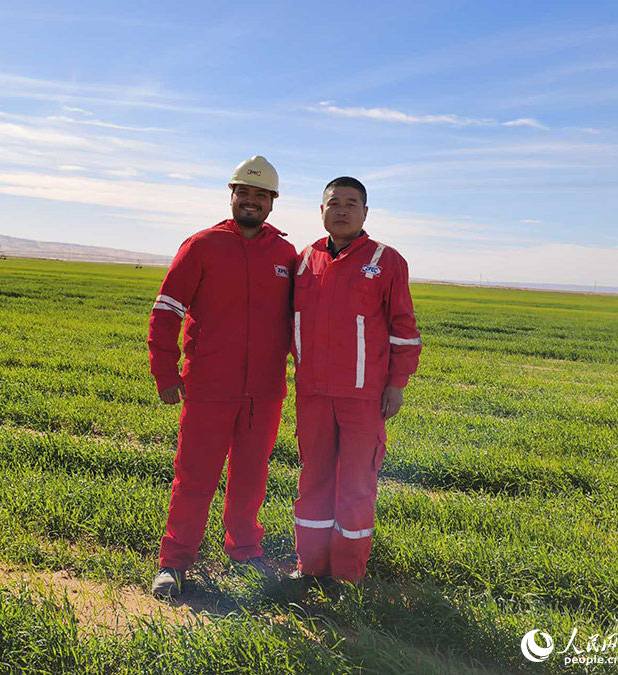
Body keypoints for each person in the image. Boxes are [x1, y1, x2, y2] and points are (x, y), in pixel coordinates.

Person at [147, 156, 297, 597]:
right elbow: (166, 312)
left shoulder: (286, 255)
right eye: (244, 192)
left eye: (260, 195)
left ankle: (246, 552)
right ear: (232, 195)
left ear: (272, 202)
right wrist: (164, 371)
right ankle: (174, 563)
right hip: (210, 385)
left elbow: (299, 324)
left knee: (251, 478)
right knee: (195, 476)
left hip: (264, 391)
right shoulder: (202, 246)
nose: (251, 201)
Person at [291, 176, 421, 584]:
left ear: (366, 213)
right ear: (321, 210)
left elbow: (404, 328)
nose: (342, 210)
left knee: (355, 486)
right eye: (334, 203)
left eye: (351, 203)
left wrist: (397, 383)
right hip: (312, 393)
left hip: (363, 397)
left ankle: (347, 577)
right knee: (313, 480)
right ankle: (310, 568)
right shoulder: (304, 259)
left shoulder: (386, 261)